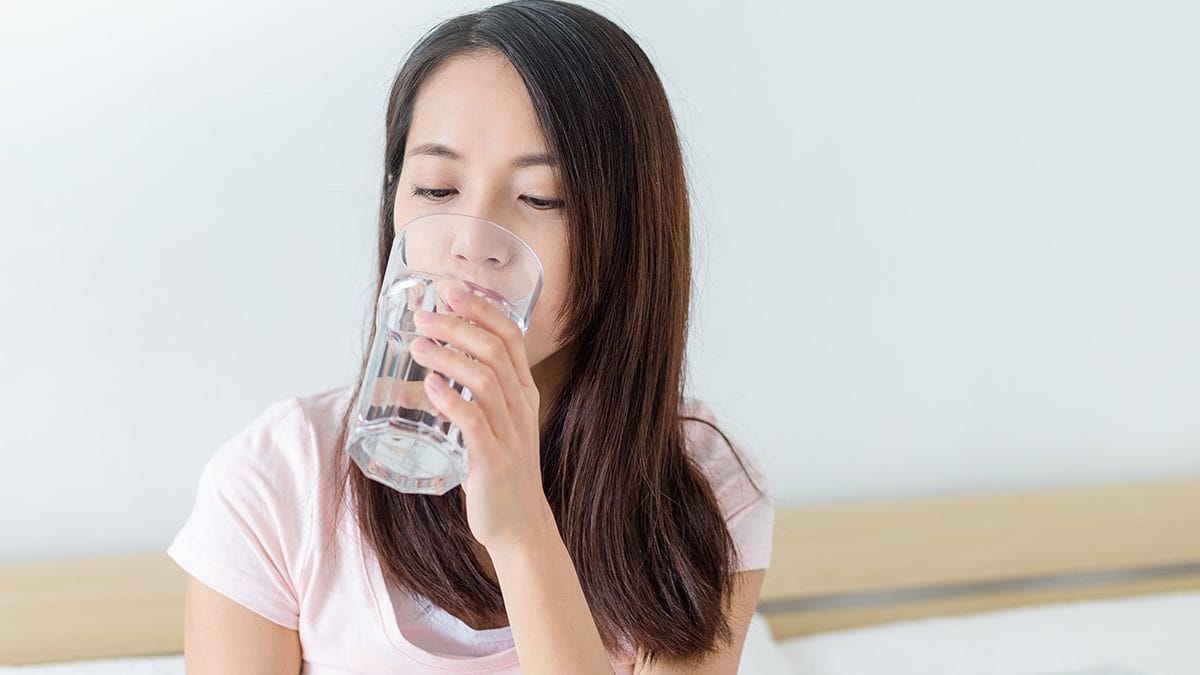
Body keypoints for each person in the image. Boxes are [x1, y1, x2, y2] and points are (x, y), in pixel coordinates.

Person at [167, 1, 775, 672]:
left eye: (541, 197)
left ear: (629, 234)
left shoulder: (700, 490)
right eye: (436, 188)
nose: (471, 242)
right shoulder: (276, 482)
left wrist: (522, 530)